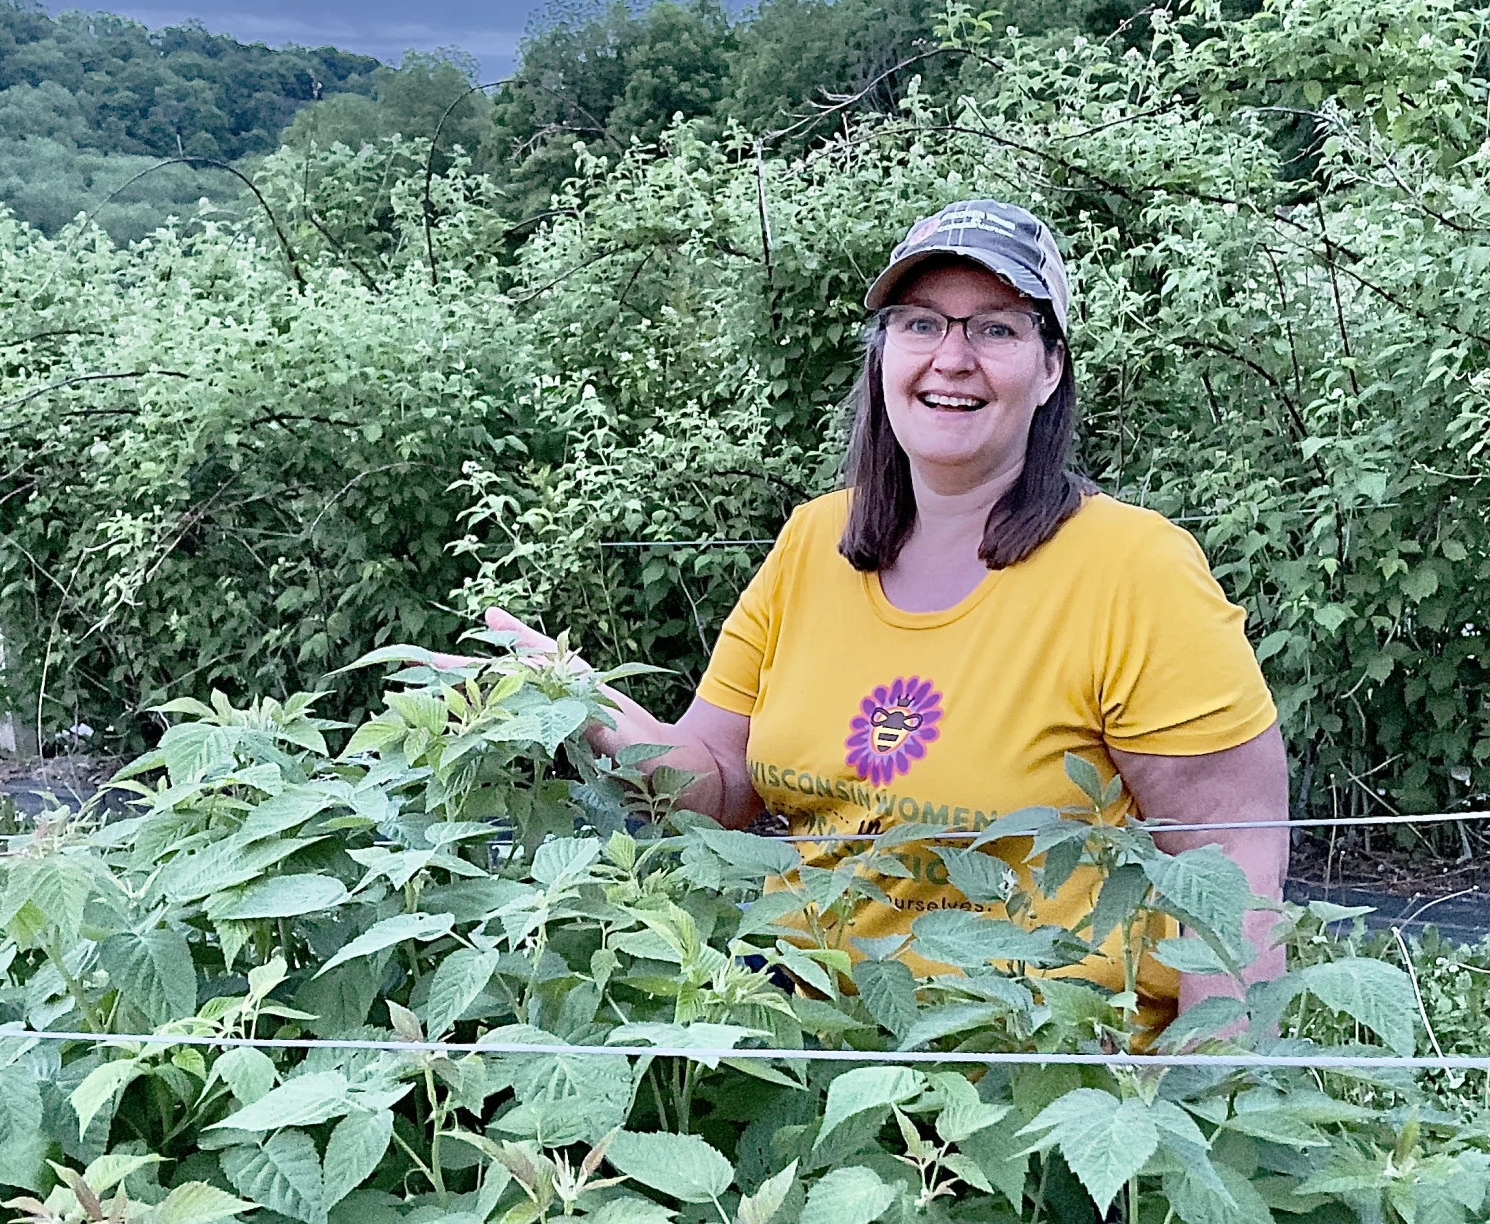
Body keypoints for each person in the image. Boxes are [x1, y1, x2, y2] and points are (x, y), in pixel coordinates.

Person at [475, 198, 1288, 1028]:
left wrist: (1210, 1097)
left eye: (997, 328)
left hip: (1030, 1066)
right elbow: (716, 783)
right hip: (797, 1033)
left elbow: (1234, 857)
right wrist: (572, 694)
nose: (953, 358)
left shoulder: (1135, 571)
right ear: (883, 357)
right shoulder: (812, 543)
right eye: (921, 325)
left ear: (1050, 369)